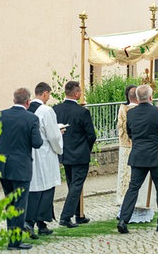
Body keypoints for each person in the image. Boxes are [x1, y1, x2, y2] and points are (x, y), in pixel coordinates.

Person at [117, 85, 158, 233]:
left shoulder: (132, 114)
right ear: (150, 97)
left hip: (139, 155)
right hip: (156, 156)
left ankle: (123, 219)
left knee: (133, 188)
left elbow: (130, 133)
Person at [0, 88, 43, 250]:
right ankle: (15, 242)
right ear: (28, 102)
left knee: (10, 204)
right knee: (20, 204)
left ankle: (11, 239)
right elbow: (37, 143)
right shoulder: (32, 119)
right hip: (21, 166)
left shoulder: (0, 115)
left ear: (14, 100)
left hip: (4, 166)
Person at [53, 81, 96, 228]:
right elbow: (91, 135)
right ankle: (65, 217)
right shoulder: (82, 112)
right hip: (79, 153)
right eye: (80, 92)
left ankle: (79, 214)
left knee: (73, 185)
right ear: (76, 93)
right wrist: (86, 148)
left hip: (64, 152)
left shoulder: (56, 109)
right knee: (76, 185)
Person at [25, 82, 63, 239]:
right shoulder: (47, 111)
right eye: (49, 94)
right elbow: (53, 135)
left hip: (29, 154)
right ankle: (34, 222)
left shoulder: (26, 109)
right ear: (45, 93)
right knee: (45, 189)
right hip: (45, 154)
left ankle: (40, 224)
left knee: (33, 189)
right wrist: (59, 145)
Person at [116, 85, 155, 223]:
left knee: (128, 182)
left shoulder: (122, 109)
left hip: (125, 148)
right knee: (139, 183)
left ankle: (124, 209)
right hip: (142, 150)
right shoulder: (143, 111)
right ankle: (140, 208)